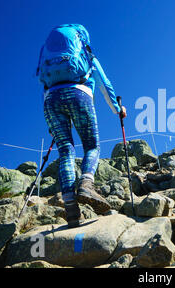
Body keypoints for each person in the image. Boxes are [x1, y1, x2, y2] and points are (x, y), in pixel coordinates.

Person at [37, 24, 126, 228]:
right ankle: (86, 184)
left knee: (66, 151)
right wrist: (118, 109)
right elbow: (105, 84)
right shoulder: (87, 55)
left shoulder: (47, 59)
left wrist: (52, 124)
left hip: (51, 100)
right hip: (79, 95)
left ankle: (70, 207)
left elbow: (44, 87)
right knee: (91, 146)